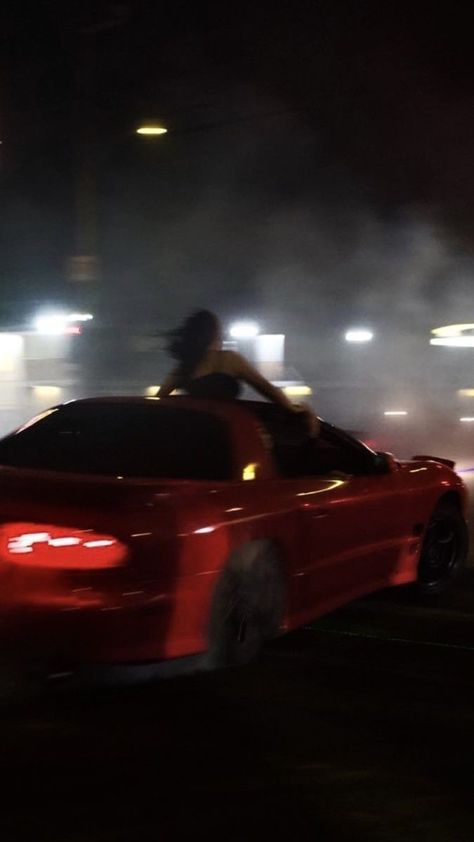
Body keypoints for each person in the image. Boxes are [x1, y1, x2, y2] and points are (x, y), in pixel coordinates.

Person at [157, 310, 319, 434]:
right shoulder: (229, 359)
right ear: (214, 334)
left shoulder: (185, 367)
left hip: (193, 433)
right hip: (225, 434)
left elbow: (159, 400)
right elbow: (267, 389)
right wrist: (295, 410)